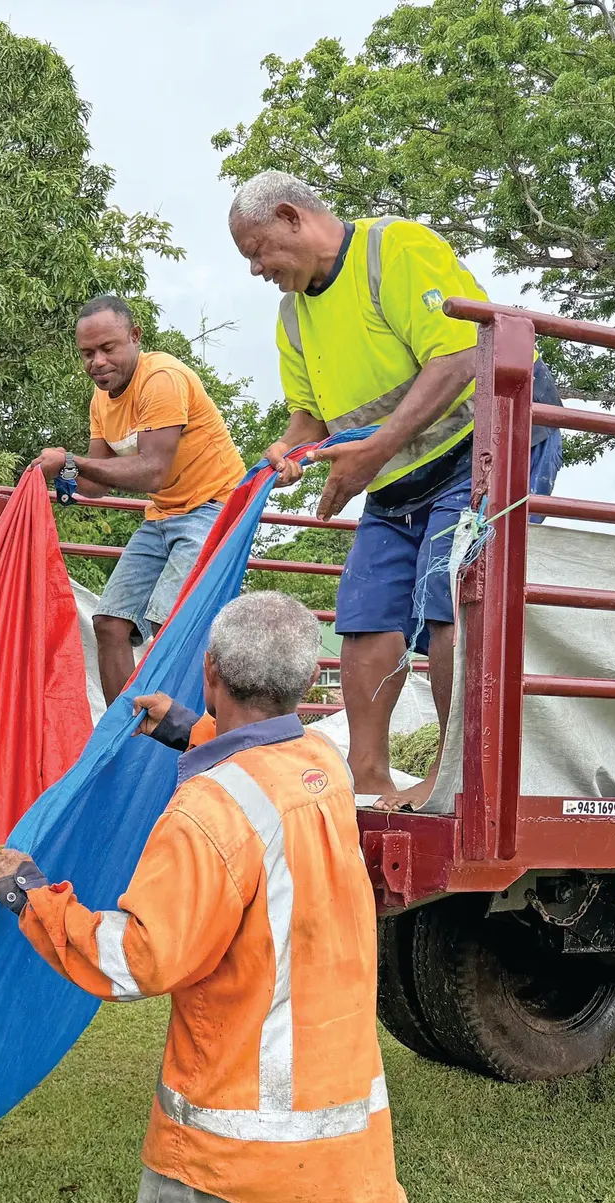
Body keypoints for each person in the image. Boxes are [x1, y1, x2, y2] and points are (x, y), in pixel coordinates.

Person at [0, 591, 404, 1203]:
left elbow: (136, 957)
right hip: (332, 1117)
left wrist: (33, 899)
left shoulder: (208, 811)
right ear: (310, 678)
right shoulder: (324, 772)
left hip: (223, 1119)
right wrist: (189, 731)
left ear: (211, 671)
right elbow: (266, 779)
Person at [228, 170, 563, 807]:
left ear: (293, 217)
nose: (256, 269)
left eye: (258, 250)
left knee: (451, 600)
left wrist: (374, 451)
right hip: (396, 475)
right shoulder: (292, 316)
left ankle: (453, 772)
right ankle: (368, 772)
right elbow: (313, 415)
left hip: (483, 447)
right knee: (364, 615)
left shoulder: (396, 250)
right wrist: (291, 447)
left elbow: (461, 357)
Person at [32, 295, 250, 704]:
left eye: (107, 348)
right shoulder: (101, 399)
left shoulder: (161, 378)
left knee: (171, 624)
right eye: (87, 353)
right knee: (109, 623)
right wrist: (61, 470)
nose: (96, 361)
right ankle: (124, 733)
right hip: (163, 514)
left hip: (215, 507)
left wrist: (71, 460)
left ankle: (179, 730)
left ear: (135, 337)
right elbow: (96, 483)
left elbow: (153, 471)